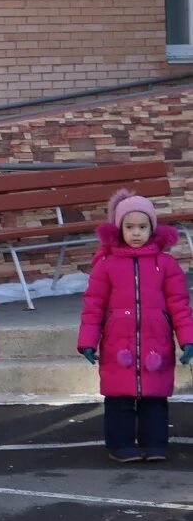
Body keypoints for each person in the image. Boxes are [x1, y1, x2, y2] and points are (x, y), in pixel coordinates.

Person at [76, 191, 193, 462]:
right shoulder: (106, 266)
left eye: (142, 227)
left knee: (155, 398)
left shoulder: (166, 265)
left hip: (157, 344)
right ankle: (121, 445)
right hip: (119, 344)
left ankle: (155, 444)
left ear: (152, 229)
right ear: (119, 228)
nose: (136, 233)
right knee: (119, 398)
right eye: (129, 227)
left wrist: (187, 338)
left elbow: (179, 305)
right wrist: (88, 341)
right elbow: (94, 306)